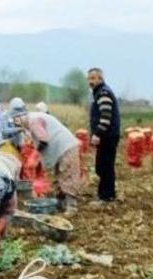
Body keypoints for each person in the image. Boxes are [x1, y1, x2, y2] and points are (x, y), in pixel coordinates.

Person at [8, 98, 83, 215]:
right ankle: (60, 203)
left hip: (65, 147)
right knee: (59, 174)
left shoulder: (33, 120)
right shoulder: (32, 118)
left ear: (19, 117)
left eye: (16, 121)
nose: (16, 124)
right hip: (61, 147)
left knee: (67, 174)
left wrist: (35, 154)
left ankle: (71, 206)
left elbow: (43, 139)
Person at [88, 67, 121, 203]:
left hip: (107, 136)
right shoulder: (99, 93)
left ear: (100, 79)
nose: (90, 81)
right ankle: (107, 194)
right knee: (103, 166)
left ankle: (106, 196)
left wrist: (97, 134)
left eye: (93, 78)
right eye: (89, 79)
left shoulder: (103, 93)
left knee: (105, 166)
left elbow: (105, 116)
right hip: (107, 136)